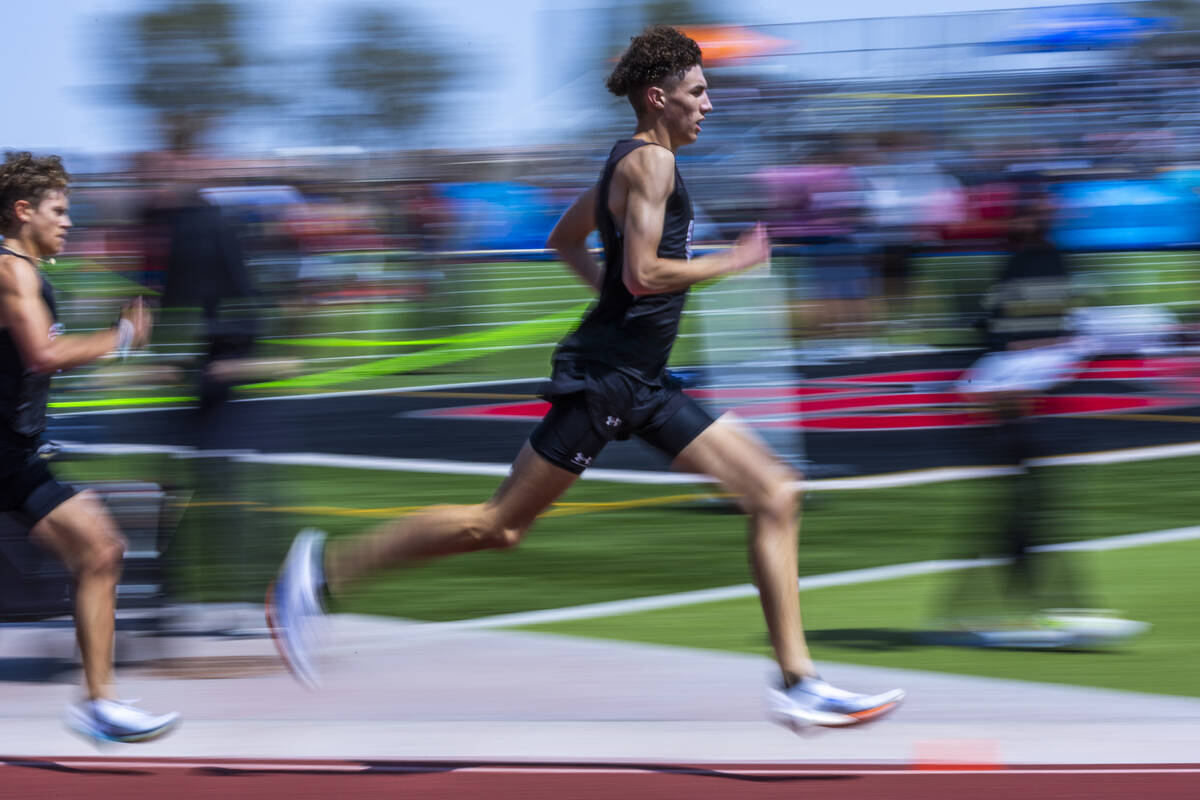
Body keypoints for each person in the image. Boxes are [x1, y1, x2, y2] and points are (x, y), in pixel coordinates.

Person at [267, 26, 904, 730]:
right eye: (698, 92)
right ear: (658, 97)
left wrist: (613, 303)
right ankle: (318, 578)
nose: (710, 105)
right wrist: (730, 262)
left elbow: (565, 240)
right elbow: (644, 273)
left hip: (642, 380)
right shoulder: (650, 165)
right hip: (608, 381)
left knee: (776, 492)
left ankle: (797, 682)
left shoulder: (625, 161)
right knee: (498, 527)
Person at [0, 151, 180, 742]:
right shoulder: (11, 272)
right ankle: (100, 703)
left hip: (16, 455)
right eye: (58, 210)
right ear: (22, 211)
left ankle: (101, 705)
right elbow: (43, 355)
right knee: (100, 551)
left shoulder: (26, 272)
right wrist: (121, 336)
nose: (68, 221)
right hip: (6, 457)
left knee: (102, 552)